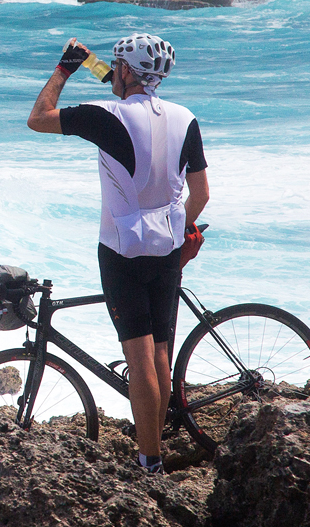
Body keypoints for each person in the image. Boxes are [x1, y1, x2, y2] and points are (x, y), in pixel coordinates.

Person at [26, 34, 210, 474]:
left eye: (115, 65)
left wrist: (66, 68)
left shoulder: (106, 117)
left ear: (127, 71)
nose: (111, 70)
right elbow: (200, 194)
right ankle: (154, 455)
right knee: (160, 355)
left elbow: (38, 118)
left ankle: (150, 463)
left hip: (122, 251)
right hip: (167, 247)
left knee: (141, 358)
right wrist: (181, 229)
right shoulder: (185, 119)